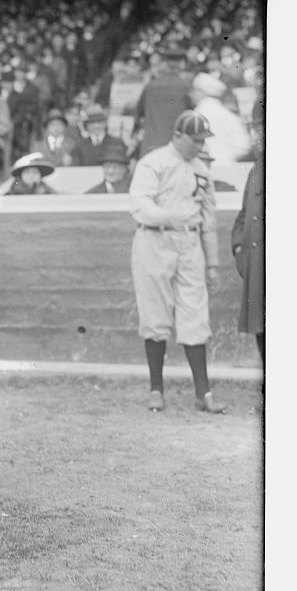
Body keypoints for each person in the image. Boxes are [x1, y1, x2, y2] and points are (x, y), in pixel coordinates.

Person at [129, 110, 226, 414]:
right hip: (154, 239)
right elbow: (139, 205)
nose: (199, 145)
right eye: (195, 140)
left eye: (203, 141)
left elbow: (209, 220)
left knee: (195, 315)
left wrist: (212, 263)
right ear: (178, 136)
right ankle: (156, 389)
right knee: (155, 316)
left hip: (190, 242)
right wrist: (168, 216)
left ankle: (204, 393)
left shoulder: (201, 169)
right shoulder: (153, 162)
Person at [231, 99, 264, 365]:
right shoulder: (256, 170)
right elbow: (243, 216)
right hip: (257, 272)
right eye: (256, 129)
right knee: (262, 336)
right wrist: (239, 249)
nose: (259, 134)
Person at [135, 47, 191, 157]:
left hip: (151, 147)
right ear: (182, 64)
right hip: (176, 149)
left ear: (164, 63)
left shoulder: (150, 86)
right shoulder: (186, 87)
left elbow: (139, 113)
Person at [189, 72, 252, 164]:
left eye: (194, 90)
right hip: (227, 169)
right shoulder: (228, 114)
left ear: (201, 92)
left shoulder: (195, 115)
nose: (191, 94)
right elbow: (243, 146)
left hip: (202, 169)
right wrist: (225, 157)